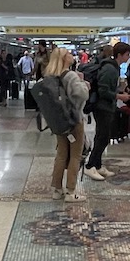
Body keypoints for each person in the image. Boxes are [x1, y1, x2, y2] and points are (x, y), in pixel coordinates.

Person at [42, 48, 89, 202]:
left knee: (61, 154)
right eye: (68, 54)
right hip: (74, 121)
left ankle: (56, 189)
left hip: (59, 122)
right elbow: (82, 95)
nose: (71, 55)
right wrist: (84, 83)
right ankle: (71, 191)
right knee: (75, 155)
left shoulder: (50, 76)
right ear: (64, 58)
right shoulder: (70, 75)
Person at [84, 42, 130, 182]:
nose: (129, 57)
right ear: (120, 55)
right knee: (103, 137)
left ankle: (97, 165)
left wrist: (119, 92)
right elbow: (103, 90)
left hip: (106, 107)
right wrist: (119, 96)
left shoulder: (113, 68)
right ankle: (90, 165)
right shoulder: (110, 69)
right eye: (127, 54)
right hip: (102, 107)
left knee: (102, 136)